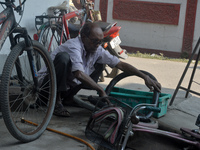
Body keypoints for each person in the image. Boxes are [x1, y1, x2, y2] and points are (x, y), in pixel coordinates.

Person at [45, 22, 161, 117]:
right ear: (84, 37)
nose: (98, 44)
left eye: (100, 41)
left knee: (100, 63)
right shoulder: (74, 46)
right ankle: (56, 102)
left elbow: (120, 64)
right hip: (46, 89)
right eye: (95, 41)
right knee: (63, 58)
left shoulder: (96, 49)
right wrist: (101, 90)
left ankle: (69, 99)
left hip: (67, 87)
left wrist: (144, 77)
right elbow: (79, 74)